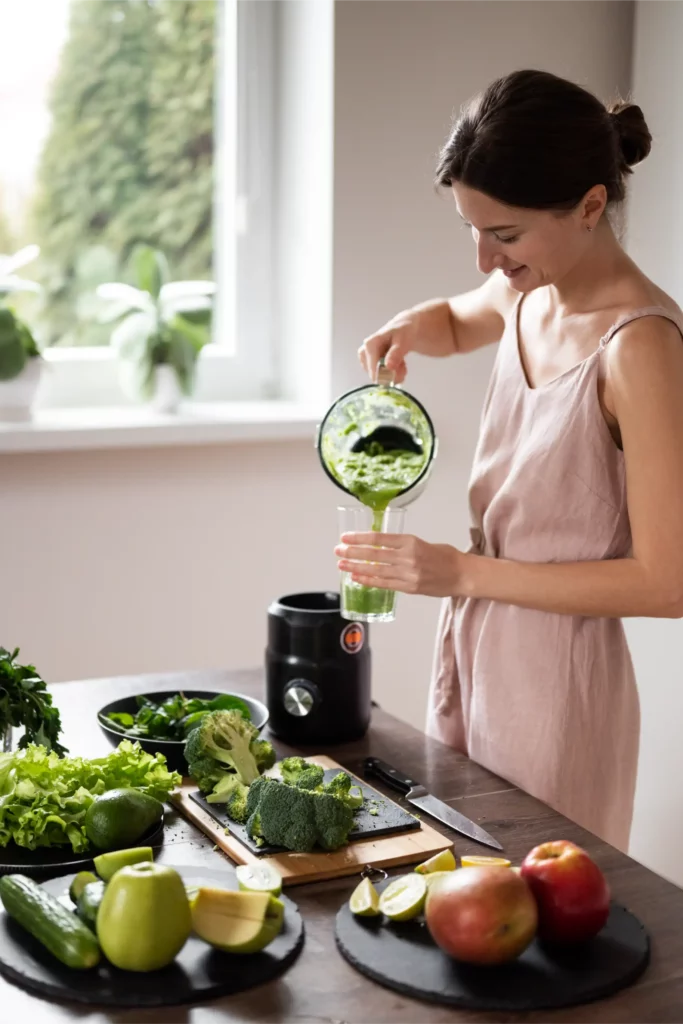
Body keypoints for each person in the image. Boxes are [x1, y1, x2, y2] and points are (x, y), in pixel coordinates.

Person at [335, 69, 683, 851]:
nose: (484, 259)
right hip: (473, 644)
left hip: (557, 684)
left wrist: (457, 574)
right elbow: (462, 320)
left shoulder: (641, 350)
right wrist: (411, 326)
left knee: (530, 913)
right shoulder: (532, 291)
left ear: (590, 205)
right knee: (460, 881)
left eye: (505, 234)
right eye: (471, 226)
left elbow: (668, 583)